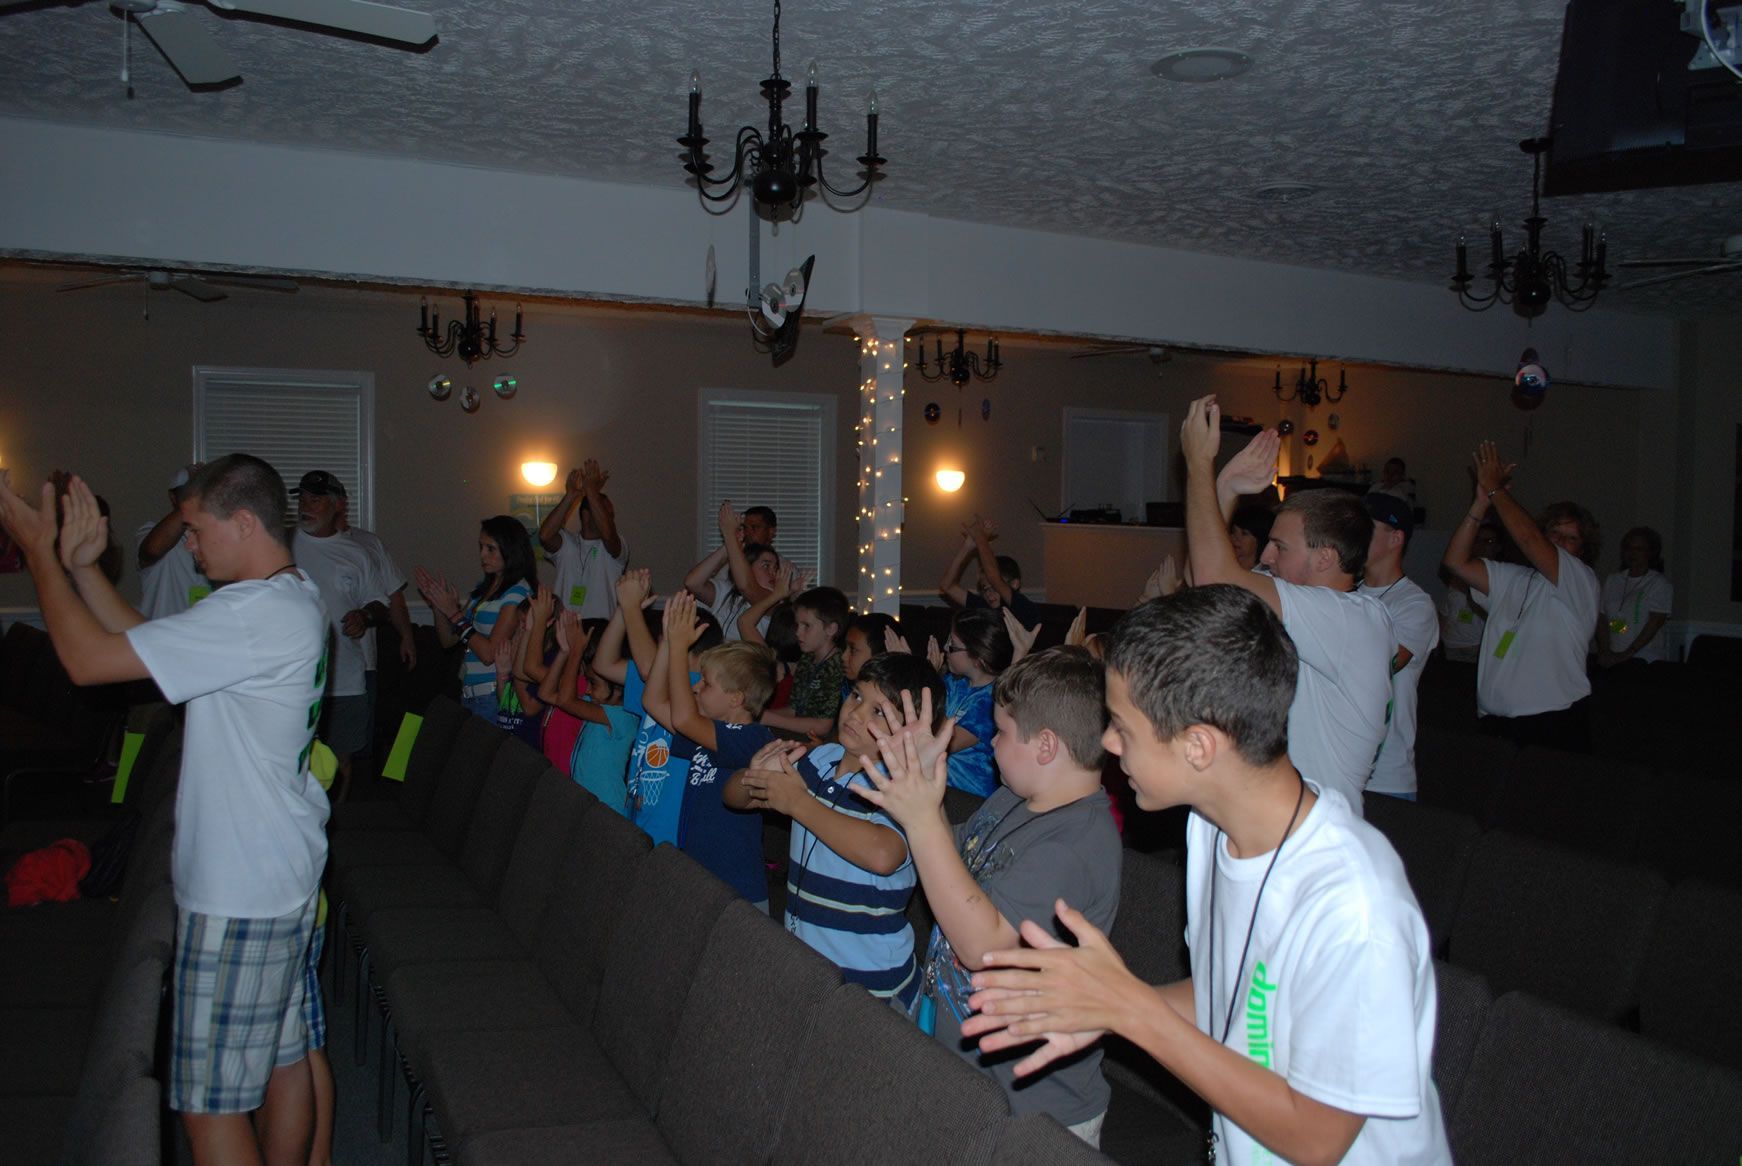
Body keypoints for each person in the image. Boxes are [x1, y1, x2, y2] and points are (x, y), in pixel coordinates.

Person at [961, 586, 1451, 1166]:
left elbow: (1319, 1139)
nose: (1108, 744)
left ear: (1198, 746)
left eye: (1122, 727)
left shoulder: (1354, 907)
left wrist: (1133, 1013)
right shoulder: (1211, 829)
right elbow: (1233, 993)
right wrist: (1103, 1004)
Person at [0, 457, 330, 1165]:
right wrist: (85, 569)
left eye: (196, 529)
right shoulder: (286, 596)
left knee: (208, 1108)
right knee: (283, 1060)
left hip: (240, 892)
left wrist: (39, 555)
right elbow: (147, 652)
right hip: (278, 871)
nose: (189, 546)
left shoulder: (251, 615)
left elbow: (87, 662)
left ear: (245, 523)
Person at [860, 647, 1121, 1146]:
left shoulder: (1075, 845)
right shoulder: (1015, 798)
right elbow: (952, 862)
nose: (990, 743)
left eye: (1000, 732)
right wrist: (927, 790)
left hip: (1036, 1113)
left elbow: (984, 950)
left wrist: (920, 818)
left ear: (1046, 746)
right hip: (972, 1079)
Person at [1182, 395, 1394, 816]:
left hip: (1316, 832)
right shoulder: (1308, 606)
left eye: (1280, 547)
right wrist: (1225, 488)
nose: (1266, 556)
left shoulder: (1354, 619)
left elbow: (1210, 576)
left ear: (1325, 558)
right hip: (1275, 821)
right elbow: (1199, 587)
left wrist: (1199, 466)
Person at [727, 651, 937, 1002]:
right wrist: (753, 775)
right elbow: (734, 798)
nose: (856, 713)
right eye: (856, 695)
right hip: (810, 964)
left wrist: (798, 802)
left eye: (879, 711)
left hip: (870, 984)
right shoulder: (820, 761)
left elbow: (883, 853)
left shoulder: (901, 786)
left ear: (911, 732)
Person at [1442, 441, 1601, 752]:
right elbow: (1455, 561)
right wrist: (1480, 504)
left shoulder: (1581, 581)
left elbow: (1529, 539)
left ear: (1582, 549)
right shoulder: (1513, 578)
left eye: (1570, 538)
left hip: (1553, 723)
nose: (1559, 542)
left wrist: (1495, 490)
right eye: (1554, 533)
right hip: (1497, 723)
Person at [642, 591, 778, 906]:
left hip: (738, 891)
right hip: (701, 878)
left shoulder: (755, 739)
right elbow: (652, 701)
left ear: (736, 698)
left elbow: (683, 718)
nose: (695, 687)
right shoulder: (705, 735)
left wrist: (680, 649)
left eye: (705, 683)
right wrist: (668, 644)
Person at [293, 471, 386, 798]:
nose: (306, 506)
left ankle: (341, 819)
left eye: (315, 499)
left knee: (340, 762)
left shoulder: (356, 553)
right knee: (296, 762)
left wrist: (364, 615)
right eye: (302, 499)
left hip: (344, 678)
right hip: (294, 678)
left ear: (338, 505)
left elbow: (380, 603)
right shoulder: (281, 545)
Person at [1358, 494, 1439, 802]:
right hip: (1338, 766)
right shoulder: (1343, 594)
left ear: (1395, 539)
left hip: (1385, 774)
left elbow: (1389, 663)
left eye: (1365, 527)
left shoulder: (1414, 603)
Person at [415, 516, 536, 722]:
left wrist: (454, 614)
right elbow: (448, 640)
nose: (482, 555)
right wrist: (438, 607)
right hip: (470, 693)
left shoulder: (518, 592)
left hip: (492, 694)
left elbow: (489, 654)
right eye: (481, 547)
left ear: (510, 550)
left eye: (490, 549)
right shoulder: (483, 590)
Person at [334, 489, 417, 766]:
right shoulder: (298, 543)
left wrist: (407, 637)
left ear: (340, 504)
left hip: (362, 661)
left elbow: (393, 596)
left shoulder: (367, 544)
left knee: (357, 746)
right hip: (315, 666)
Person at [537, 458, 629, 622]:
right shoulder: (567, 543)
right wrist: (571, 496)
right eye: (606, 513)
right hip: (565, 630)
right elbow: (545, 536)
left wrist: (591, 490)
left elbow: (609, 535)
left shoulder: (618, 544)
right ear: (586, 515)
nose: (610, 519)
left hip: (601, 631)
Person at [939, 607, 1013, 797]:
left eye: (953, 645)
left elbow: (945, 743)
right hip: (941, 785)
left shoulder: (991, 700)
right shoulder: (953, 683)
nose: (945, 648)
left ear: (977, 659)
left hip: (968, 796)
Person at [760, 585, 850, 739]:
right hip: (800, 735)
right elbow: (794, 710)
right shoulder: (807, 659)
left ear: (831, 629)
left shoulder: (838, 667)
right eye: (797, 625)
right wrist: (758, 715)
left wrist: (766, 718)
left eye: (806, 626)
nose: (797, 632)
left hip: (826, 742)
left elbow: (823, 726)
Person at [685, 502, 781, 640]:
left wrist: (729, 535)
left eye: (776, 568)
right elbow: (692, 583)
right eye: (766, 566)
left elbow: (747, 587)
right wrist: (728, 546)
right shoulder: (727, 592)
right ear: (748, 567)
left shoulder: (775, 600)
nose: (773, 572)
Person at [135, 462, 214, 620]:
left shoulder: (218, 535)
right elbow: (152, 550)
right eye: (188, 492)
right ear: (173, 497)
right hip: (160, 634)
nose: (198, 497)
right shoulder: (150, 531)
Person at [938, 514, 1045, 628]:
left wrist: (980, 538)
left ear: (1014, 584)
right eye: (985, 588)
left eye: (994, 588)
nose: (989, 593)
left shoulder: (1022, 606)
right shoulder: (984, 606)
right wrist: (967, 547)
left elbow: (993, 577)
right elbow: (947, 586)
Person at [1597, 526, 1672, 668]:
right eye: (1629, 548)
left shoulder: (1658, 583)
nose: (1633, 553)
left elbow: (1655, 622)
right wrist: (1605, 650)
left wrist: (1628, 653)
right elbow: (1603, 618)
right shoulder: (1613, 580)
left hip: (1646, 659)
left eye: (1639, 549)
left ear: (1651, 552)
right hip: (1613, 657)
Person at [1437, 522, 1501, 666]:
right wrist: (1437, 641)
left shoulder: (1500, 577)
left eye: (1488, 541)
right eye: (1478, 540)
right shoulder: (1458, 573)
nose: (1481, 545)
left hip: (1478, 649)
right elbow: (1446, 610)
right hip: (1450, 646)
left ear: (1498, 547)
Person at [1228, 505, 1275, 574]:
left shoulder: (1267, 574)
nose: (1234, 537)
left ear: (1259, 539)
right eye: (1233, 531)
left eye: (1244, 533)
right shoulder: (1224, 565)